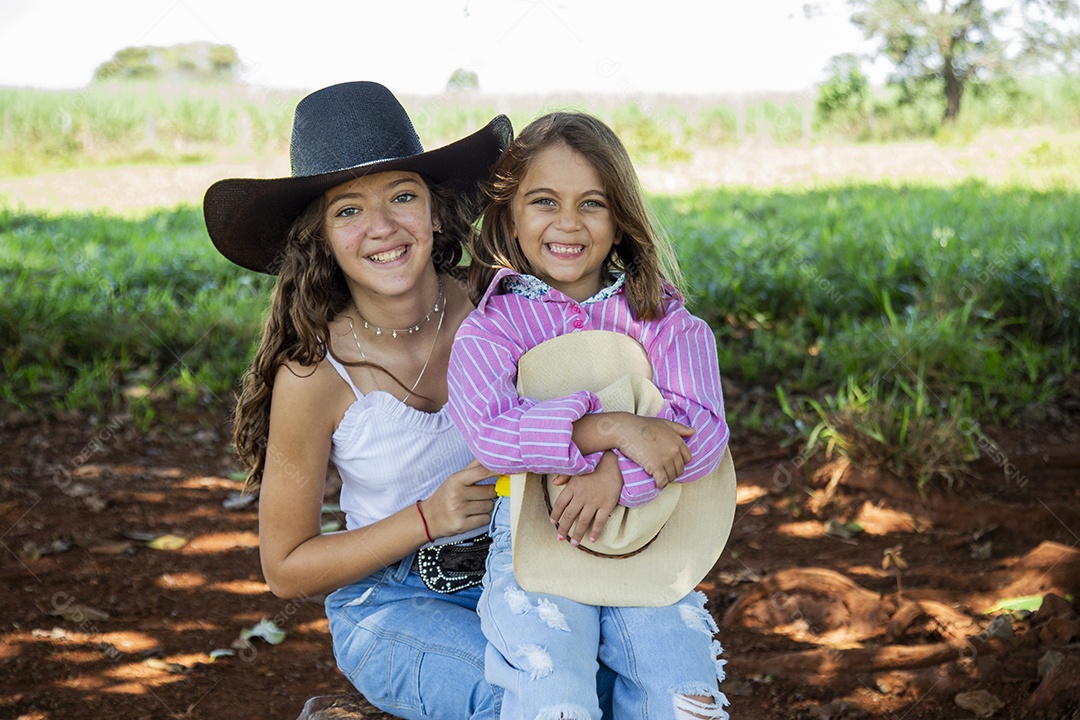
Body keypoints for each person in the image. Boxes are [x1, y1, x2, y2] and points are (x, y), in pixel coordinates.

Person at [201, 80, 518, 719]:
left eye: (402, 196)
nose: (382, 227)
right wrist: (428, 519)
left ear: (435, 211)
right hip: (393, 604)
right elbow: (286, 568)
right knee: (519, 695)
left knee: (624, 685)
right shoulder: (315, 377)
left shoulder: (503, 312)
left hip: (522, 573)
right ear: (320, 235)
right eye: (348, 210)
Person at [447, 112, 734, 720]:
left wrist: (613, 479)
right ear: (509, 214)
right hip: (536, 534)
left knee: (683, 690)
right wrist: (609, 428)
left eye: (593, 204)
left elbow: (703, 432)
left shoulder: (663, 321)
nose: (568, 224)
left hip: (649, 534)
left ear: (620, 216)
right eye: (544, 202)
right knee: (552, 684)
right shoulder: (491, 328)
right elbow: (493, 436)